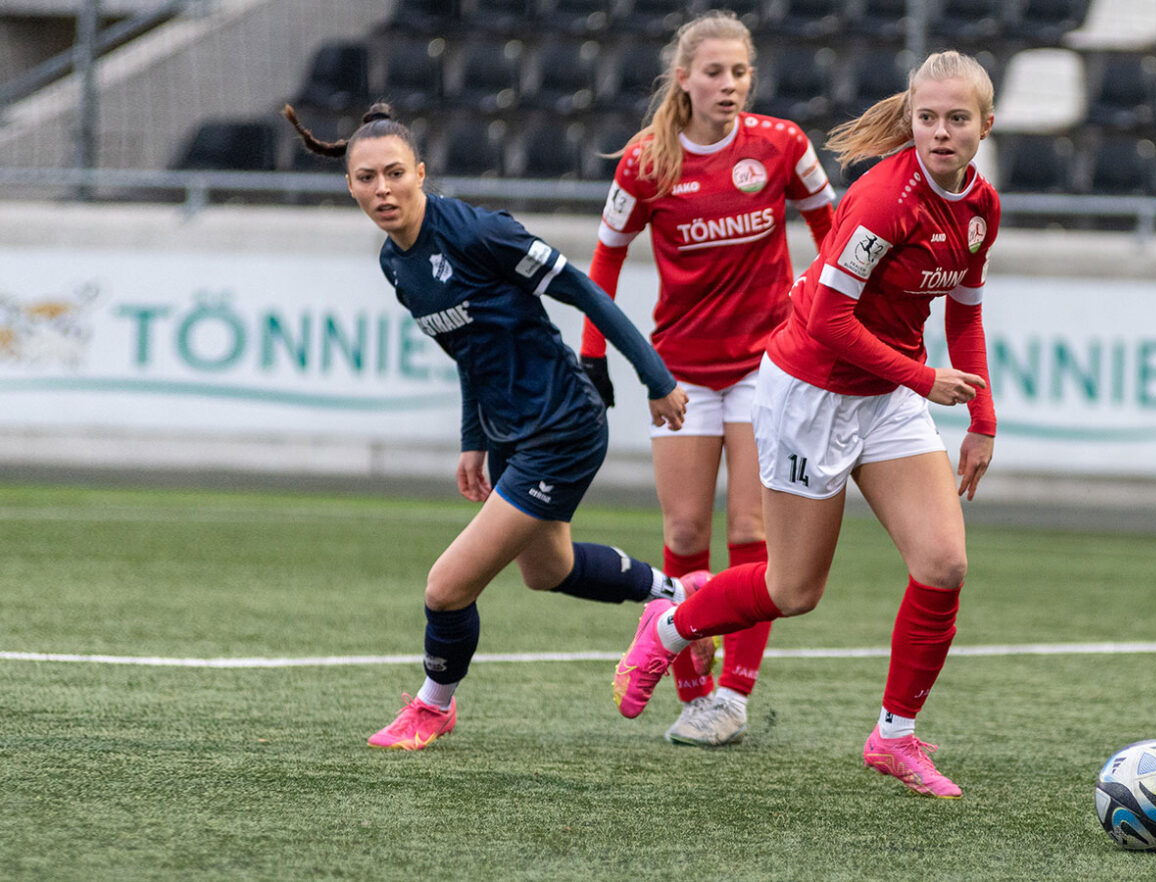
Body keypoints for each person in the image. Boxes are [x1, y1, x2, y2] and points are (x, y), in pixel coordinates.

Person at [611, 50, 1000, 797]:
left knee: (943, 564)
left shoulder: (981, 206)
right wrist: (925, 378)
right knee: (793, 590)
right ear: (910, 118)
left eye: (957, 119)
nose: (940, 132)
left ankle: (894, 738)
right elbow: (824, 319)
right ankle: (666, 628)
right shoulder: (887, 199)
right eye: (927, 118)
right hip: (810, 392)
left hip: (886, 395)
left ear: (987, 124)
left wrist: (982, 418)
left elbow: (966, 313)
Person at [284, 102, 697, 751]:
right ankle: (677, 596)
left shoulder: (481, 234)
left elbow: (585, 292)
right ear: (350, 185)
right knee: (549, 571)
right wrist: (473, 440)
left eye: (395, 173)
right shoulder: (396, 263)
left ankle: (432, 707)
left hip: (562, 425)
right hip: (508, 433)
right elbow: (468, 349)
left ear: (420, 172)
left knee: (446, 587)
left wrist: (656, 378)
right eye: (367, 178)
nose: (382, 189)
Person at [580, 10, 836, 747]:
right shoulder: (645, 162)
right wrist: (596, 355)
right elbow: (604, 262)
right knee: (686, 530)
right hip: (681, 374)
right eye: (715, 72)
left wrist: (826, 305)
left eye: (741, 72)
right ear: (683, 79)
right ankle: (691, 688)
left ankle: (734, 696)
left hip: (769, 370)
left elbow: (834, 229)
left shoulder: (782, 145)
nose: (730, 85)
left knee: (754, 531)